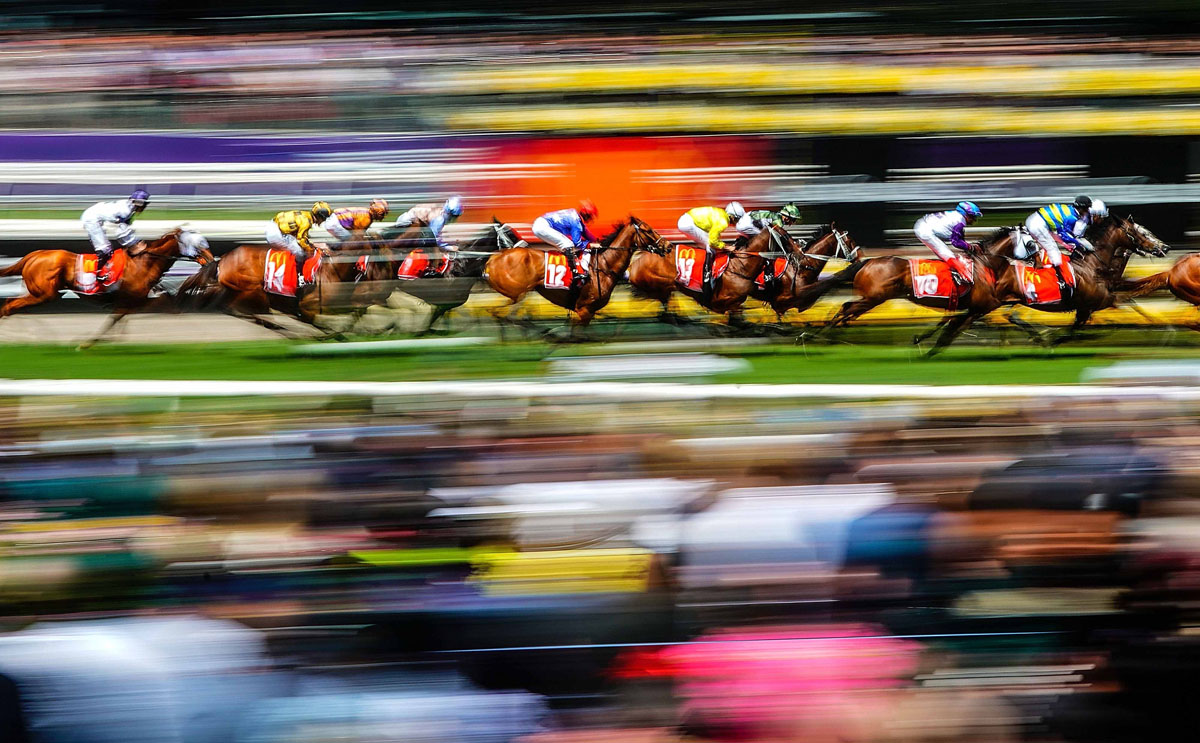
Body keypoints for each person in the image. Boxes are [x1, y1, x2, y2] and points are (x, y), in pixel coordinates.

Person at [1025, 195, 1106, 293]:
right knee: (1055, 255)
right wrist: (1080, 244)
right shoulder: (1072, 217)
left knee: (1054, 249)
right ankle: (1060, 282)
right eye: (1088, 208)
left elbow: (1060, 235)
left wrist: (1068, 244)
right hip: (1038, 225)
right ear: (1083, 208)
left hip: (1037, 221)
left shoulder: (1071, 211)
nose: (1089, 210)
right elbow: (1064, 236)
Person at [679, 202, 745, 297]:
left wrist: (722, 246)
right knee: (710, 247)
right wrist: (726, 247)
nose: (737, 223)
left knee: (709, 245)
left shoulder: (722, 215)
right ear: (733, 217)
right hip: (687, 223)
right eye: (738, 220)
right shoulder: (723, 222)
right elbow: (713, 242)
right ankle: (707, 277)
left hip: (687, 219)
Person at [530, 200, 599, 289]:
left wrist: (596, 240)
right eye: (590, 216)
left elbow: (585, 232)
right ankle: (576, 274)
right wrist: (591, 245)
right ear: (586, 214)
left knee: (567, 245)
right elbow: (577, 243)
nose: (591, 219)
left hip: (541, 223)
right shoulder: (576, 222)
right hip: (542, 226)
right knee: (568, 244)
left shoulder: (575, 216)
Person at [80, 189, 149, 273]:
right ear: (140, 203)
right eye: (144, 204)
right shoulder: (126, 211)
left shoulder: (130, 207)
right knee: (104, 249)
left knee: (107, 248)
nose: (145, 207)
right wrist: (135, 243)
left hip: (93, 215)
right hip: (91, 218)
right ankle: (98, 274)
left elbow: (125, 229)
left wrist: (135, 241)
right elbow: (121, 233)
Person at [914, 201, 982, 286]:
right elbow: (956, 243)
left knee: (945, 257)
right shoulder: (960, 221)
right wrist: (972, 248)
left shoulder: (956, 216)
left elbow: (960, 240)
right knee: (949, 256)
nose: (974, 220)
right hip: (925, 231)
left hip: (923, 225)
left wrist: (969, 247)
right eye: (972, 217)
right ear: (966, 215)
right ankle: (966, 280)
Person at [266, 201, 332, 288]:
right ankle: (299, 277)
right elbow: (301, 240)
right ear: (320, 216)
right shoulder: (307, 222)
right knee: (301, 253)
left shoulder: (306, 215)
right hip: (276, 233)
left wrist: (313, 245)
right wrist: (311, 249)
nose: (323, 221)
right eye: (324, 219)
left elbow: (301, 237)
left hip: (274, 226)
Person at [392, 195, 463, 258]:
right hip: (408, 225)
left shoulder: (439, 209)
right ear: (451, 214)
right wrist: (450, 247)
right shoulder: (440, 219)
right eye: (455, 216)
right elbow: (434, 238)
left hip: (404, 219)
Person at [323, 199, 388, 244]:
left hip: (334, 220)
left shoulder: (367, 213)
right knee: (351, 241)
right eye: (382, 214)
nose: (383, 216)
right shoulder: (366, 219)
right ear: (376, 212)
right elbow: (358, 235)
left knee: (352, 239)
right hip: (334, 223)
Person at [735, 202, 802, 238]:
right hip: (747, 224)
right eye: (793, 220)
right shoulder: (778, 220)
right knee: (764, 238)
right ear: (787, 217)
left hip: (746, 220)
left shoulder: (777, 216)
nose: (792, 223)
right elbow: (780, 235)